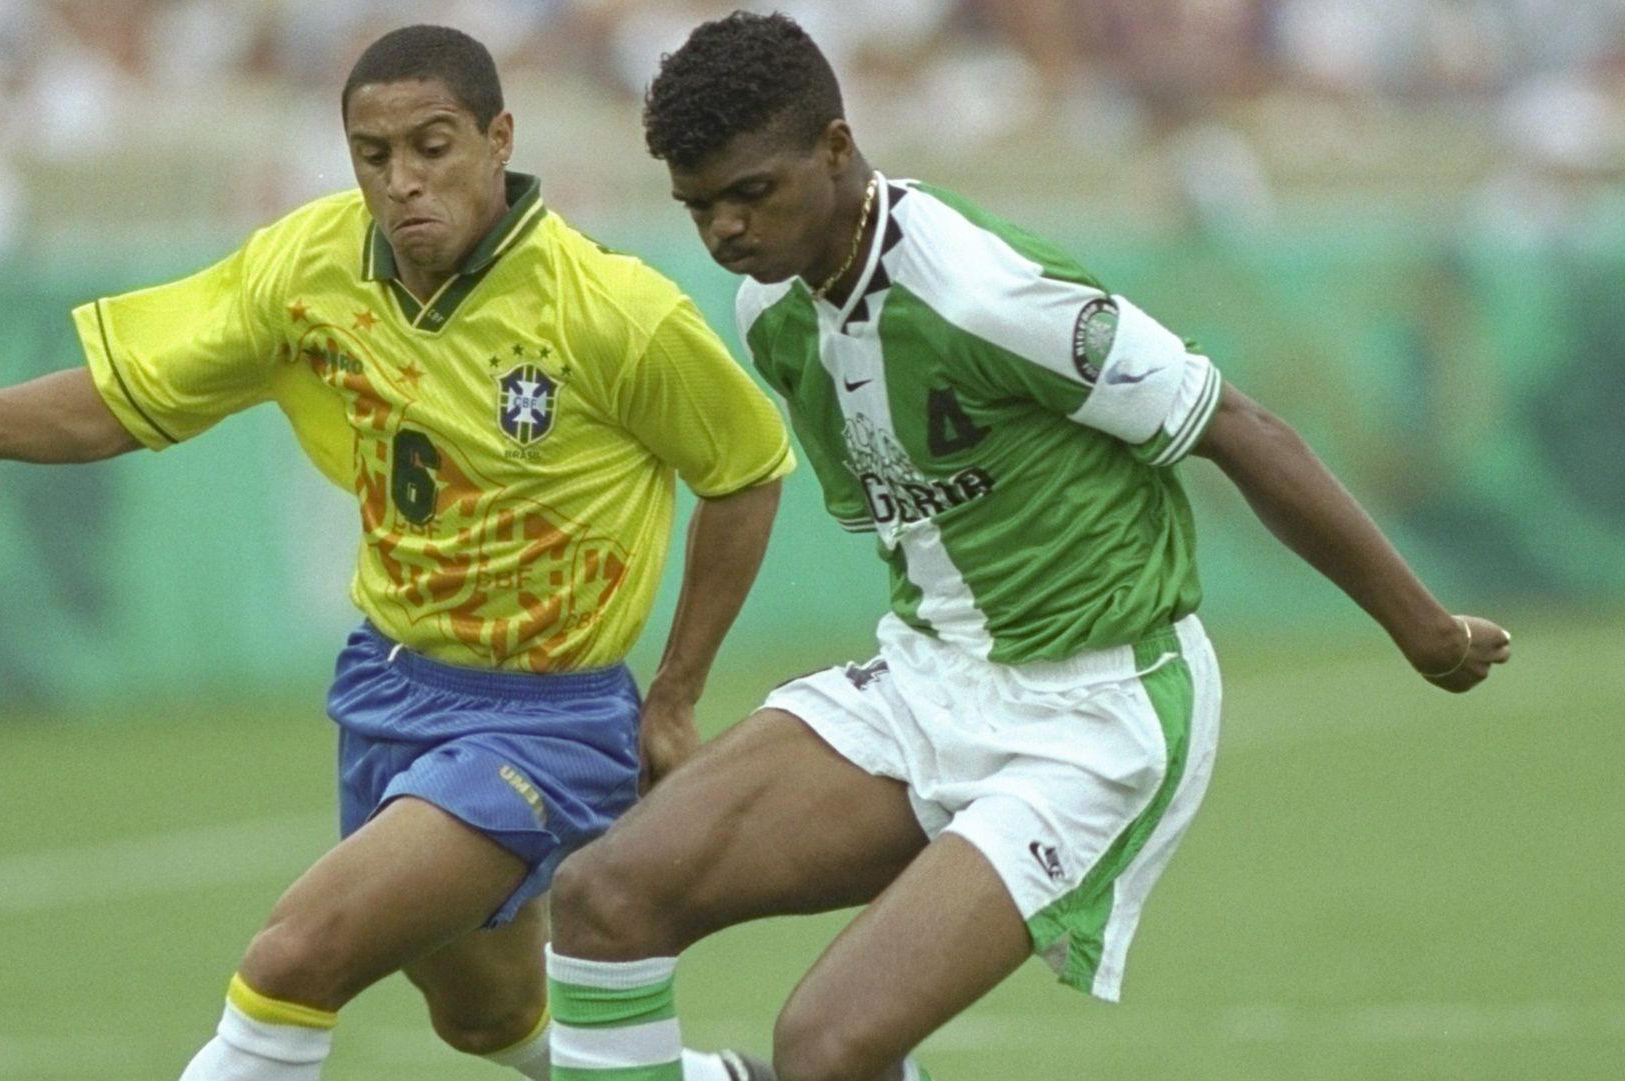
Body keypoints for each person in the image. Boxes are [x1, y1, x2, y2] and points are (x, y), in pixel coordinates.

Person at [542, 13, 1514, 1081]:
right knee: (602, 899)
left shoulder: (983, 290)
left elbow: (1240, 428)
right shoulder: (774, 310)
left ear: (833, 146)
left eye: (749, 193)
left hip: (1097, 710)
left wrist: (1423, 632)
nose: (724, 228)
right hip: (932, 677)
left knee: (825, 1047)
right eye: (699, 206)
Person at [0, 25, 792, 1081]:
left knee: (296, 956)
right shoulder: (310, 266)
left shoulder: (613, 313)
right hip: (389, 686)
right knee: (488, 1016)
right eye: (374, 157)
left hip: (547, 720)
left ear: (498, 138)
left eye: (433, 146)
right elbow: (126, 398)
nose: (403, 181)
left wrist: (675, 694)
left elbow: (745, 469)